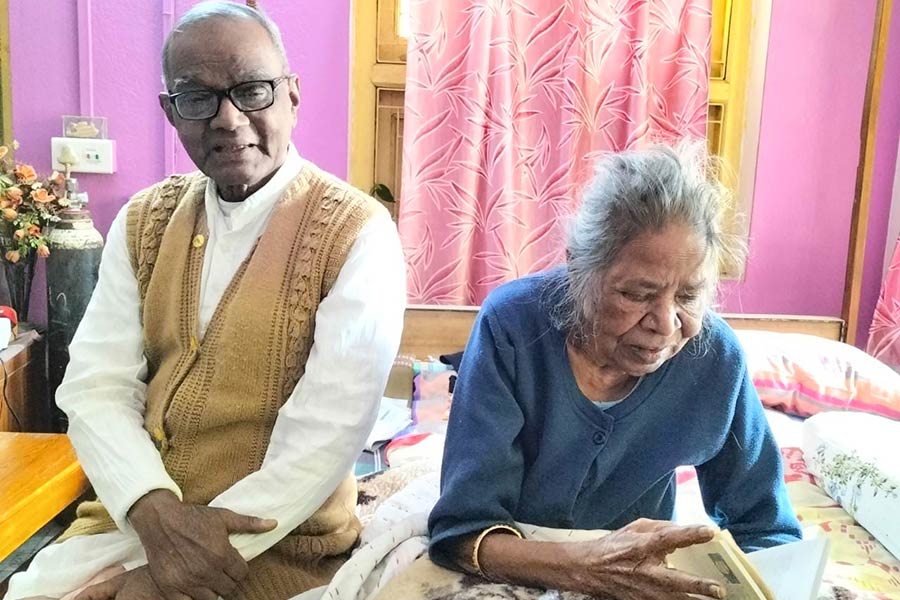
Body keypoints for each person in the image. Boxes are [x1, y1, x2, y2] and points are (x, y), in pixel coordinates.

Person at [4, 3, 405, 600]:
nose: (228, 118)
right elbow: (96, 386)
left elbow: (325, 435)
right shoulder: (142, 220)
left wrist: (164, 575)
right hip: (130, 521)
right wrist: (152, 511)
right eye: (198, 98)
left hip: (274, 541)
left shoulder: (357, 232)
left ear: (292, 97)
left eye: (253, 91)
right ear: (171, 112)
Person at [424, 141, 802, 599]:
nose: (665, 325)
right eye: (637, 295)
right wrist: (587, 567)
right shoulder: (512, 326)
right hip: (514, 555)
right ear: (577, 271)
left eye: (688, 297)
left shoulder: (715, 359)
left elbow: (765, 526)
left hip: (638, 575)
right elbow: (463, 530)